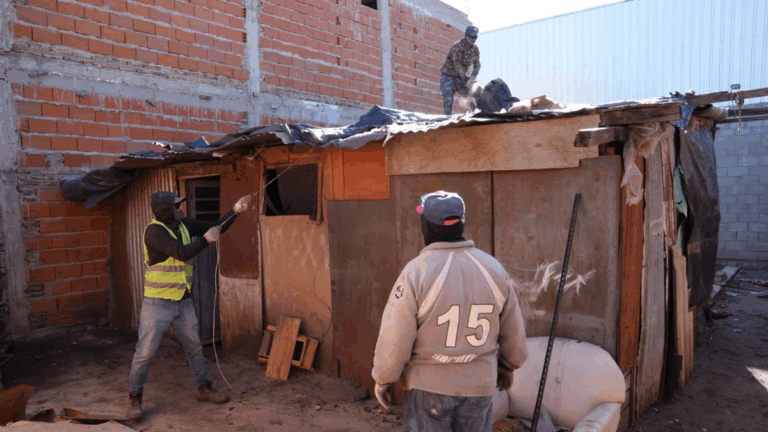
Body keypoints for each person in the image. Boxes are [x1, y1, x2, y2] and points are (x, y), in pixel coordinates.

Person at [371, 191, 528, 432]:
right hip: (480, 387)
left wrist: (384, 377)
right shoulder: (493, 269)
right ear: (461, 224)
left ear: (426, 226)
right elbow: (514, 334)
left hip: (429, 388)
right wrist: (507, 367)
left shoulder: (416, 272)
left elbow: (394, 337)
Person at [126, 191, 251, 421]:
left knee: (194, 347)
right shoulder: (153, 231)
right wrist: (205, 240)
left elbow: (215, 225)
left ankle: (203, 388)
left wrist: (235, 211)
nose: (181, 208)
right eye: (176, 205)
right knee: (144, 353)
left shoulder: (183, 224)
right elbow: (181, 253)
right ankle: (135, 398)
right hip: (157, 304)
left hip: (183, 302)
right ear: (164, 209)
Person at [440, 26, 481, 115]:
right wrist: (467, 79)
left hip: (460, 78)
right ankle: (447, 122)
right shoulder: (457, 47)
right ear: (466, 36)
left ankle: (474, 117)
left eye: (475, 37)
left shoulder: (475, 50)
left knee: (471, 98)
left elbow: (477, 65)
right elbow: (457, 66)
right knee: (448, 100)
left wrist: (472, 77)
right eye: (471, 37)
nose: (473, 39)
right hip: (448, 77)